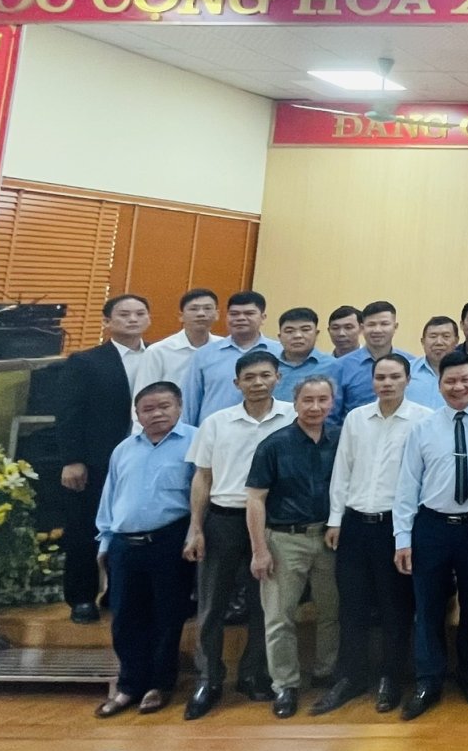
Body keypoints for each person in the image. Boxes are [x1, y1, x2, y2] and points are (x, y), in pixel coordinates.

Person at [393, 351, 468, 720]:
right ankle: (428, 679)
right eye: (450, 381)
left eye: (465, 380)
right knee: (428, 606)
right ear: (439, 385)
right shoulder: (423, 428)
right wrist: (402, 538)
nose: (458, 387)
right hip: (432, 526)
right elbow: (407, 486)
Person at [182, 351, 294, 720]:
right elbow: (203, 477)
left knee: (265, 604)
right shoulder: (216, 422)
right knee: (212, 604)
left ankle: (253, 673)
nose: (258, 382)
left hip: (272, 521)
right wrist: (196, 527)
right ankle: (209, 678)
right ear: (237, 383)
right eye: (249, 377)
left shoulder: (293, 417)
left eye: (265, 375)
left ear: (278, 378)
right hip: (224, 519)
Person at [326, 353, 429, 715]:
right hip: (355, 524)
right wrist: (335, 519)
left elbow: (423, 478)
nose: (387, 383)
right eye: (380, 377)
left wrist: (407, 533)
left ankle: (391, 678)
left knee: (394, 609)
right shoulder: (356, 418)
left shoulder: (423, 420)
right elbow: (343, 469)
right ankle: (350, 677)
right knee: (351, 606)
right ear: (372, 381)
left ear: (407, 380)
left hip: (395, 527)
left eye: (394, 377)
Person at [92, 381, 196, 718]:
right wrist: (106, 542)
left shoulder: (195, 442)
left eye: (164, 406)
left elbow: (201, 496)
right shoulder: (124, 449)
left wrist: (195, 536)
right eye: (148, 409)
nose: (157, 414)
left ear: (179, 407)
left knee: (167, 616)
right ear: (137, 414)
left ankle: (160, 685)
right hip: (124, 545)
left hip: (170, 540)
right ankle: (129, 685)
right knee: (124, 618)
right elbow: (110, 496)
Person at [245, 376, 342, 719]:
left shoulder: (341, 439)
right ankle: (285, 684)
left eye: (322, 400)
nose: (315, 407)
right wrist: (259, 550)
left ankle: (326, 672)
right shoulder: (274, 445)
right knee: (279, 616)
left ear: (332, 402)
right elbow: (255, 500)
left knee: (332, 612)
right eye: (307, 400)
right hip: (284, 540)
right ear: (295, 402)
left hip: (329, 538)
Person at [57, 293, 157, 624]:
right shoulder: (86, 362)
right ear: (107, 321)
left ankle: (119, 592)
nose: (133, 319)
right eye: (124, 314)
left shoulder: (159, 356)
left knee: (134, 528)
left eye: (140, 313)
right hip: (97, 459)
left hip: (146, 458)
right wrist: (73, 459)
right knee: (86, 528)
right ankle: (82, 597)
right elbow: (69, 414)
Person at [181, 290, 281, 425]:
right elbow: (189, 401)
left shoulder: (280, 352)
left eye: (249, 313)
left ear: (263, 317)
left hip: (267, 429)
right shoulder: (204, 354)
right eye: (234, 314)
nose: (241, 318)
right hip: (216, 431)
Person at [333, 301, 419, 423]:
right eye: (371, 324)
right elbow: (332, 414)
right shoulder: (341, 366)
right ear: (362, 328)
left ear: (395, 327)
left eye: (384, 324)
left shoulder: (412, 363)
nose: (377, 330)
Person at [149, 288, 223, 386]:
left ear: (217, 314)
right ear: (181, 316)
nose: (201, 313)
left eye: (207, 308)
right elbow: (144, 391)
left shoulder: (225, 348)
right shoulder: (158, 351)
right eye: (194, 309)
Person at [271, 308, 338, 403]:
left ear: (316, 334)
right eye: (289, 331)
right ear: (279, 336)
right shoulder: (270, 367)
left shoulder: (334, 366)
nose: (297, 335)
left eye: (305, 330)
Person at [410, 316, 458, 410]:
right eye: (433, 336)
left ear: (456, 341)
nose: (439, 342)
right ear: (423, 341)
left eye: (446, 336)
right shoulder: (406, 370)